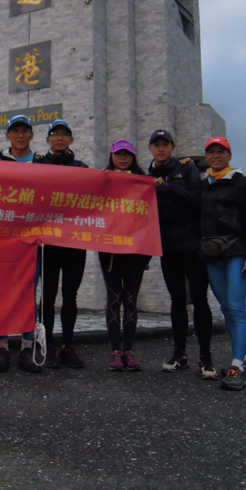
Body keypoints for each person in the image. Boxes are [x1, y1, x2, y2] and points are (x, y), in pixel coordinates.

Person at [148, 129, 216, 378]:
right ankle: (180, 354)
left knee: (199, 299)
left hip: (193, 245)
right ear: (150, 149)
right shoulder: (148, 176)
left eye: (166, 144)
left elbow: (197, 202)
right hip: (167, 247)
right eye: (157, 144)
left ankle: (206, 357)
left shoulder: (187, 170)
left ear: (173, 147)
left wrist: (167, 188)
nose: (161, 148)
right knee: (176, 300)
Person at [200, 136, 246, 391]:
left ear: (229, 155)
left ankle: (236, 365)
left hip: (237, 251)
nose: (216, 156)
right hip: (211, 254)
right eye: (211, 152)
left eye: (221, 152)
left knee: (237, 307)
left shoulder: (243, 184)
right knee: (226, 307)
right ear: (206, 157)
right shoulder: (203, 184)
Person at [34, 119, 88, 369]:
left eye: (64, 134)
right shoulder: (37, 165)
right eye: (54, 134)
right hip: (48, 244)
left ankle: (68, 346)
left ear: (71, 140)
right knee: (47, 295)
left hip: (75, 242)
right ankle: (48, 345)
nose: (59, 138)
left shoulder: (82, 168)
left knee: (70, 295)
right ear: (47, 140)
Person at [0, 115, 42, 374]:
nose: (20, 135)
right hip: (4, 240)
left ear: (32, 135)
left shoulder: (44, 164)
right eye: (15, 130)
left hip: (33, 243)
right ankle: (2, 348)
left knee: (28, 296)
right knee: (1, 292)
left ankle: (26, 348)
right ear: (8, 135)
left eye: (25, 130)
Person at [98, 140, 150, 372]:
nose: (123, 157)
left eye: (127, 154)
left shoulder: (144, 180)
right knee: (114, 299)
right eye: (119, 154)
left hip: (136, 250)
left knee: (131, 301)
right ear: (112, 156)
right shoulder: (103, 179)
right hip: (109, 250)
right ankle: (115, 352)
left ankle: (128, 350)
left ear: (133, 156)